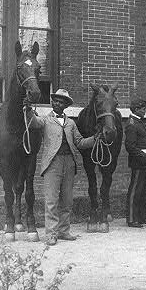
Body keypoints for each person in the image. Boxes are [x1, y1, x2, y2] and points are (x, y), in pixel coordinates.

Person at [25, 89, 97, 245]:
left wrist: (95, 138)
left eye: (61, 101)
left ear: (66, 105)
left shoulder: (71, 123)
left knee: (67, 199)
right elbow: (34, 122)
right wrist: (28, 110)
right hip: (53, 163)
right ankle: (51, 233)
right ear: (52, 102)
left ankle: (64, 231)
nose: (57, 103)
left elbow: (79, 142)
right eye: (55, 100)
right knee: (51, 200)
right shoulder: (45, 120)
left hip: (69, 163)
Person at [125, 97, 146, 228]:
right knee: (135, 190)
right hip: (138, 163)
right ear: (136, 109)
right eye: (142, 109)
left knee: (144, 190)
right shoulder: (131, 124)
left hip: (145, 162)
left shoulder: (138, 122)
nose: (144, 111)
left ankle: (142, 216)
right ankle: (132, 218)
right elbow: (130, 147)